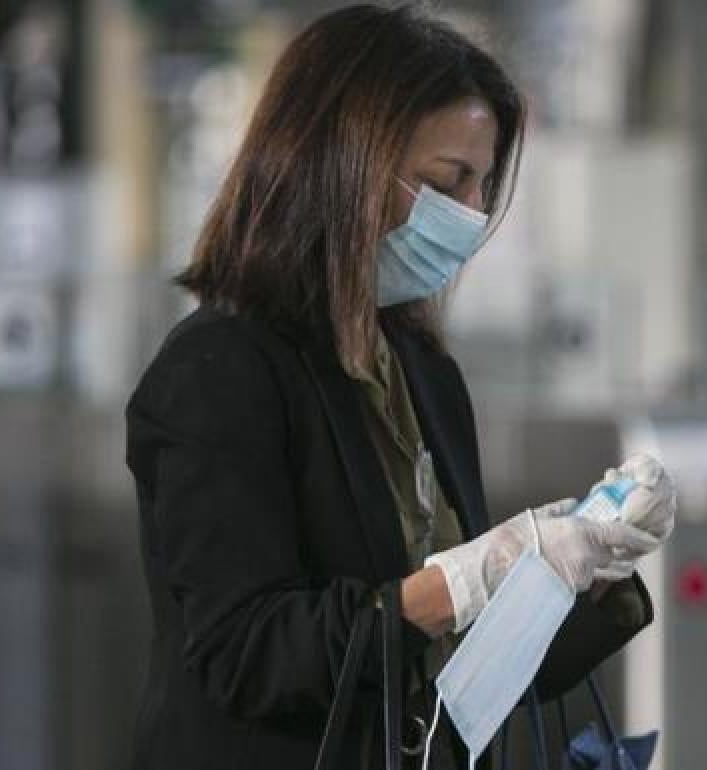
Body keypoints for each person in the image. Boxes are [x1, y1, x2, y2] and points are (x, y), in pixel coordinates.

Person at [123, 5, 674, 769]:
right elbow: (249, 654)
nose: (473, 216)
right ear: (343, 164)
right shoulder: (218, 370)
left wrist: (585, 563)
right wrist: (465, 577)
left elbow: (470, 681)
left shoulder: (420, 371)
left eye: (483, 187)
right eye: (450, 183)